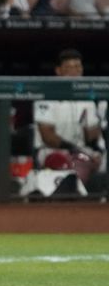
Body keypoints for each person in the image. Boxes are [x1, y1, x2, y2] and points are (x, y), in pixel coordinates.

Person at [33, 49, 105, 185]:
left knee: (100, 160)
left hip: (80, 152)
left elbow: (90, 137)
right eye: (69, 67)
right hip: (51, 152)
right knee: (68, 161)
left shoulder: (87, 100)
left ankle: (97, 199)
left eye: (77, 67)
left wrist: (100, 127)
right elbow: (48, 136)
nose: (74, 71)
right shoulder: (47, 96)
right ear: (58, 71)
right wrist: (76, 150)